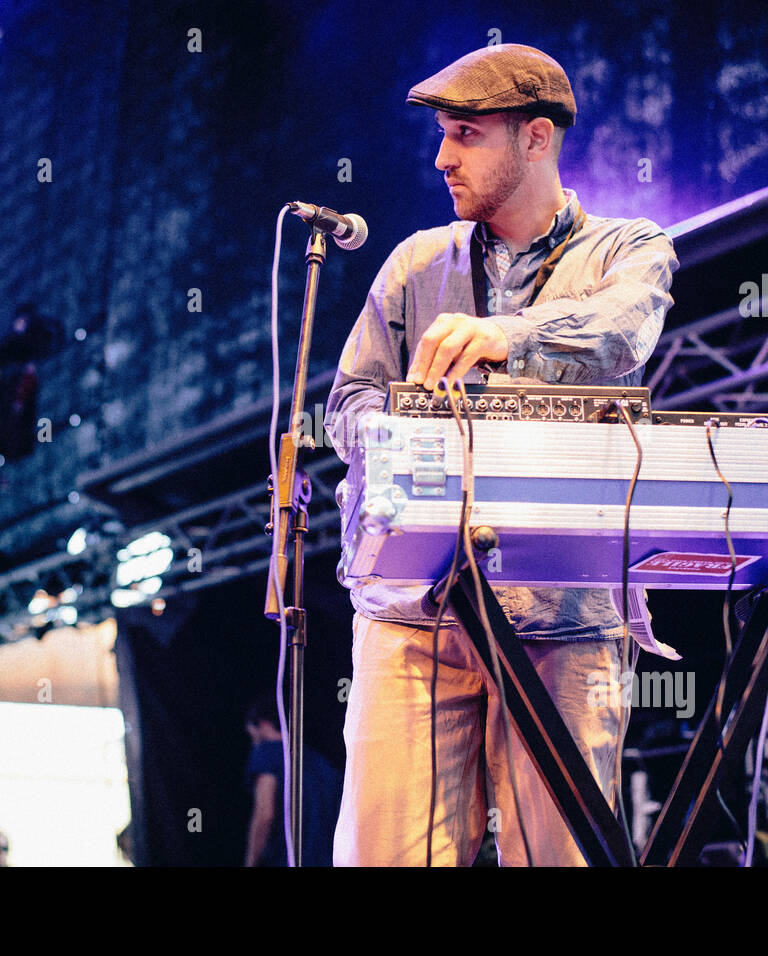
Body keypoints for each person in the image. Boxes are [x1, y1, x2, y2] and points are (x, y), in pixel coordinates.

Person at [326, 45, 678, 866]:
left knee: (558, 856)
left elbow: (625, 328)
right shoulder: (415, 262)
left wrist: (505, 338)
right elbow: (347, 407)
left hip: (567, 618)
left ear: (536, 139)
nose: (442, 156)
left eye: (466, 134)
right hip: (416, 611)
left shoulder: (630, 248)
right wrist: (406, 436)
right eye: (443, 134)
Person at [243, 694, 341, 867]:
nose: (253, 743)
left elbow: (265, 813)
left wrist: (252, 861)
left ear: (263, 724)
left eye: (252, 736)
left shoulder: (266, 753)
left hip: (286, 859)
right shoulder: (321, 763)